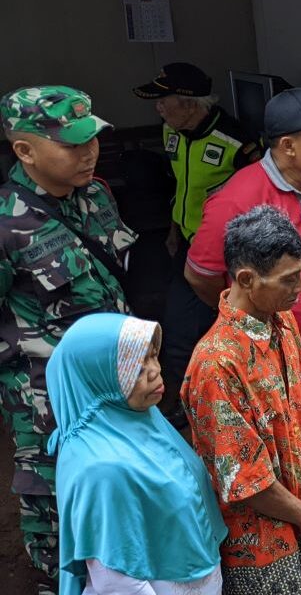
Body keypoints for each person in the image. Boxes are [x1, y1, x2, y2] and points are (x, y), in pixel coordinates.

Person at [184, 87, 301, 511]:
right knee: (278, 442)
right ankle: (295, 522)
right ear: (288, 146)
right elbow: (201, 274)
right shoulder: (236, 198)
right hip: (265, 351)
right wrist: (250, 321)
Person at [0, 86, 137, 595]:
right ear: (25, 150)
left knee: (116, 500)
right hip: (48, 405)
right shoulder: (7, 224)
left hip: (115, 385)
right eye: (73, 145)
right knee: (59, 518)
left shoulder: (96, 195)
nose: (89, 153)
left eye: (93, 140)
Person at [182, 206, 301, 595]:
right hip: (263, 550)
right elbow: (244, 480)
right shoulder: (215, 364)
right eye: (289, 279)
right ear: (247, 279)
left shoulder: (283, 322)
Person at [48, 314, 226, 595]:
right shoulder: (100, 469)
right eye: (136, 366)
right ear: (99, 379)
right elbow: (116, 583)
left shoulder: (139, 419)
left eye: (153, 357)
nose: (155, 371)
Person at [132, 62, 262, 423]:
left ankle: (192, 404)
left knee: (201, 325)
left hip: (227, 253)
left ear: (190, 104)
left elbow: (259, 195)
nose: (158, 108)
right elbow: (180, 187)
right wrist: (175, 228)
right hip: (188, 243)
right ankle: (190, 400)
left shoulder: (237, 142)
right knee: (182, 322)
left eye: (164, 101)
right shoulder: (170, 132)